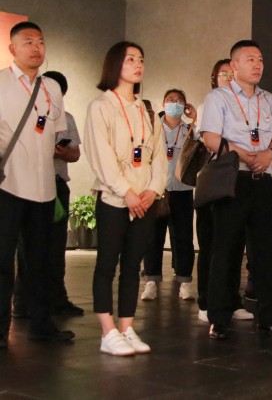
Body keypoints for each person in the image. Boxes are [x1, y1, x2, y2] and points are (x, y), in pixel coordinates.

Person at [84, 41, 168, 355]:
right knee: (107, 264)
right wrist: (127, 192)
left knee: (133, 266)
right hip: (114, 198)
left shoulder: (147, 109)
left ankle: (126, 327)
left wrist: (153, 190)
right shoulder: (101, 106)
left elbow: (159, 157)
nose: (138, 64)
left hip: (145, 199)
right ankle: (107, 331)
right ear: (115, 64)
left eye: (141, 59)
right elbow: (101, 156)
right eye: (130, 59)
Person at [199, 40, 272, 340]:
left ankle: (269, 316)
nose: (258, 65)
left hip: (262, 181)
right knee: (226, 250)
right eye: (250, 59)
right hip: (231, 180)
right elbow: (210, 138)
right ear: (234, 65)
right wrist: (244, 155)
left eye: (260, 59)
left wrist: (269, 154)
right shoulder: (218, 97)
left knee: (265, 252)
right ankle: (219, 316)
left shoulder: (269, 100)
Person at [0, 22, 74, 349]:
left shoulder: (51, 88)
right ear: (12, 49)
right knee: (3, 261)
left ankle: (41, 325)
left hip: (43, 187)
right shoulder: (1, 83)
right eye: (28, 42)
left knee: (40, 261)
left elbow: (53, 134)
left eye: (41, 42)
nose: (36, 48)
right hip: (8, 185)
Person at [12, 71, 84, 319]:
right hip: (28, 186)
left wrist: (60, 152)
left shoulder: (67, 118)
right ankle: (22, 303)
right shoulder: (26, 114)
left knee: (55, 246)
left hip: (57, 185)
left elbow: (75, 154)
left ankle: (57, 300)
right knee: (27, 247)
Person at [195, 60, 254, 323]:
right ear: (213, 78)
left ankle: (232, 300)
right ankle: (206, 301)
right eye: (223, 74)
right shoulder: (208, 105)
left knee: (234, 244)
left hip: (238, 181)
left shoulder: (244, 105)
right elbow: (211, 143)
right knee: (211, 245)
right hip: (214, 182)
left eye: (231, 74)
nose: (228, 78)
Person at [140, 88, 198, 301]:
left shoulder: (190, 129)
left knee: (183, 238)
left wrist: (196, 118)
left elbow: (204, 144)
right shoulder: (152, 128)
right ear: (163, 104)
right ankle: (151, 281)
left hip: (182, 189)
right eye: (170, 100)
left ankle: (184, 281)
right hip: (156, 190)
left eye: (179, 100)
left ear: (185, 106)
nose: (175, 103)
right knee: (153, 237)